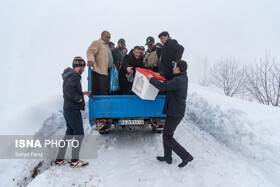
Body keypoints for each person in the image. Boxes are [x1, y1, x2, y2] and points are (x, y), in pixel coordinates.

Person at [146, 60, 193, 168]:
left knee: (168, 136)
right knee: (166, 135)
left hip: (176, 112)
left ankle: (186, 156)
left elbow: (164, 86)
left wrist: (151, 79)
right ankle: (168, 157)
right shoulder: (180, 78)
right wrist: (157, 76)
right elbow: (167, 82)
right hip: (174, 110)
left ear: (178, 69)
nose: (173, 68)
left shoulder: (179, 80)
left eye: (174, 67)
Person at [55, 57, 91, 168]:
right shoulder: (74, 76)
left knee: (69, 135)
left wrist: (83, 93)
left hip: (69, 109)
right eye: (83, 67)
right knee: (79, 134)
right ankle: (74, 161)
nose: (84, 70)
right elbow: (68, 90)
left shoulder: (70, 76)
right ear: (79, 66)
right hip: (72, 110)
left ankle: (59, 159)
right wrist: (78, 98)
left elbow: (71, 89)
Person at [86, 31, 114, 95]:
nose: (108, 39)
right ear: (102, 36)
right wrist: (90, 60)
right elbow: (90, 51)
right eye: (107, 37)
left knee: (106, 90)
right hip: (100, 71)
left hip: (107, 72)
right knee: (101, 91)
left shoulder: (107, 46)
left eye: (109, 38)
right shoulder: (97, 43)